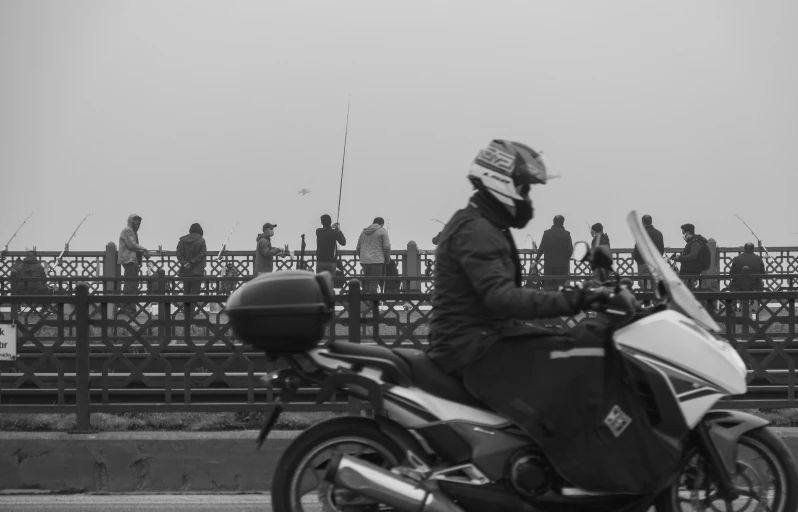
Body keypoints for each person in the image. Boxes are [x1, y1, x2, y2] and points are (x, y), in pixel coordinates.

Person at [428, 139, 611, 376]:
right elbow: (502, 297)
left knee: (566, 341)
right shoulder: (478, 230)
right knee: (573, 367)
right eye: (525, 189)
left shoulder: (482, 224)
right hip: (470, 349)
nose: (527, 199)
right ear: (503, 183)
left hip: (477, 338)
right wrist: (577, 298)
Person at [118, 214, 150, 314]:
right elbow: (132, 245)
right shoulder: (127, 230)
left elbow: (134, 247)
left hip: (132, 260)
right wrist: (144, 248)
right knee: (129, 285)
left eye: (138, 222)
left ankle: (129, 307)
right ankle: (127, 307)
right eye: (135, 221)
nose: (137, 223)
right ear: (131, 221)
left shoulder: (133, 232)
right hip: (129, 260)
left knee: (132, 285)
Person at [533, 215, 573, 290]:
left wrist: (536, 260)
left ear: (553, 222)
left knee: (548, 286)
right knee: (560, 287)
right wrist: (565, 259)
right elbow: (570, 250)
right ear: (563, 223)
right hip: (562, 266)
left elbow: (541, 248)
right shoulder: (567, 234)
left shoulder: (547, 233)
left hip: (549, 265)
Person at [356, 217, 391, 295]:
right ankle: (372, 304)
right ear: (381, 224)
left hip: (364, 261)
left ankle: (365, 304)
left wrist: (362, 257)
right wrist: (387, 259)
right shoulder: (382, 231)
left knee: (366, 283)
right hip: (377, 261)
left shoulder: (364, 232)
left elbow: (358, 247)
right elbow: (387, 247)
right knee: (374, 284)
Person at [632, 215, 664, 291]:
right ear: (651, 221)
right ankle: (656, 302)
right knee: (655, 286)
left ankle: (647, 302)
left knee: (644, 286)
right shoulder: (658, 233)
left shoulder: (641, 234)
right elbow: (661, 249)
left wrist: (638, 260)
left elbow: (637, 249)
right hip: (655, 264)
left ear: (642, 222)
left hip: (642, 263)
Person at [176, 223, 207, 297]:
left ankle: (187, 308)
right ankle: (193, 308)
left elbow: (178, 254)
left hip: (185, 271)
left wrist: (184, 263)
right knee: (195, 294)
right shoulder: (201, 240)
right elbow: (202, 254)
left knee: (186, 293)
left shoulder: (182, 241)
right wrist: (192, 263)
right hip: (197, 272)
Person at [673, 223, 707, 290]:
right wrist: (679, 258)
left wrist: (680, 258)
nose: (683, 235)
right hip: (688, 272)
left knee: (687, 292)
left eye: (683, 233)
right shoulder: (692, 242)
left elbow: (693, 256)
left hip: (690, 274)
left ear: (688, 232)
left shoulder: (695, 242)